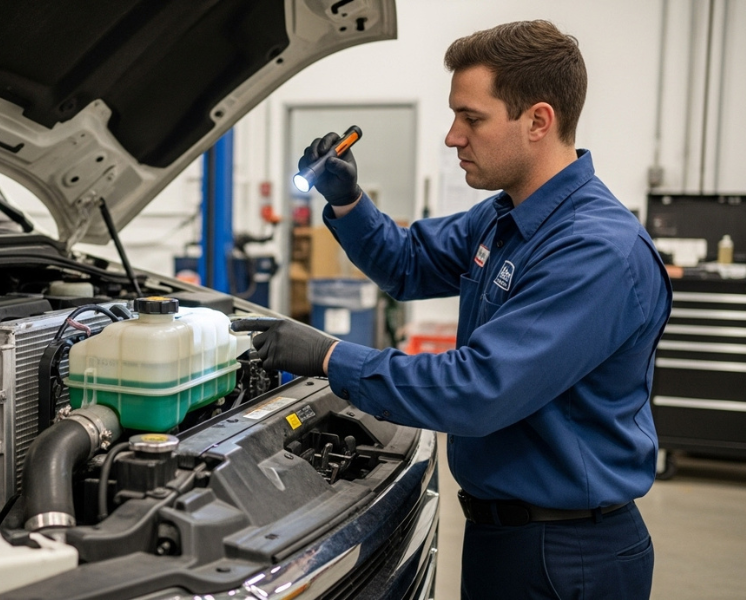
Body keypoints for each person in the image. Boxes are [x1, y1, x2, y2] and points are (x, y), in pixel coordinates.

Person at [233, 20, 671, 599]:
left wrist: (331, 356)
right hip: (505, 536)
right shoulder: (504, 216)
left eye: (472, 118)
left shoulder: (595, 251)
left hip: (567, 556)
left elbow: (478, 388)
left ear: (539, 120)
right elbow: (409, 262)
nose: (451, 137)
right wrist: (348, 200)